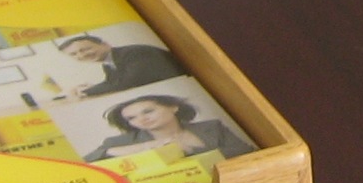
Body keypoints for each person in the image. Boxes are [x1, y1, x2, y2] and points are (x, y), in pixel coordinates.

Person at [81, 93, 245, 164]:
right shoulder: (120, 141)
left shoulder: (211, 126)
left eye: (148, 111)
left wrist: (187, 152)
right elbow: (89, 161)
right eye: (132, 118)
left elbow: (244, 152)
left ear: (173, 107)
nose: (142, 119)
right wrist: (147, 146)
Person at [54, 33, 190, 97]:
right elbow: (112, 82)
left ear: (105, 44)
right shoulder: (108, 62)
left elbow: (128, 82)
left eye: (85, 49)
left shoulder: (134, 53)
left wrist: (86, 91)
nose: (81, 55)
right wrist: (88, 87)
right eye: (74, 54)